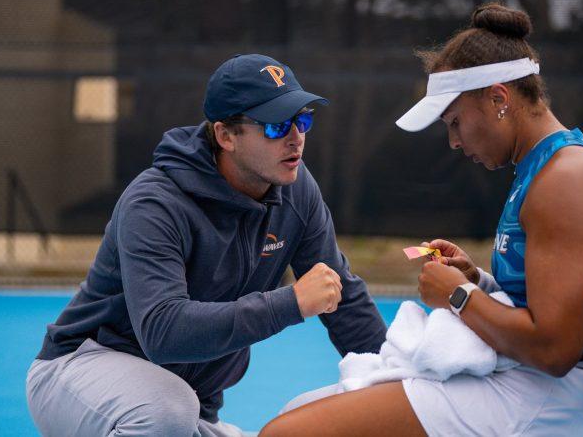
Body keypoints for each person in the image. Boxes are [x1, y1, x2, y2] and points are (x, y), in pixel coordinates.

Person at [260, 3, 583, 436]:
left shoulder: (563, 182)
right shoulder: (544, 169)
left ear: (498, 98)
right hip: (525, 385)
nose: (454, 142)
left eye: (455, 122)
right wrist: (478, 280)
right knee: (296, 411)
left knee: (283, 434)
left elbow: (555, 350)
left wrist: (459, 296)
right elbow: (546, 304)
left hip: (538, 400)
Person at [26, 53, 387, 437]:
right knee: (165, 412)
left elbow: (343, 300)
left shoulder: (297, 190)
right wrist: (291, 303)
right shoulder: (155, 203)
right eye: (276, 125)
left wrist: (399, 376)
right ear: (225, 135)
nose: (295, 136)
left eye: (303, 119)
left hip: (188, 407)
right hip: (81, 372)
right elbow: (164, 332)